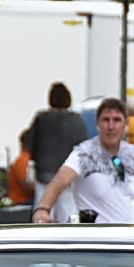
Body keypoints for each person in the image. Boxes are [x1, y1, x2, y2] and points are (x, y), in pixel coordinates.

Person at [31, 98, 134, 225]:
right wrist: (43, 210)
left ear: (126, 124)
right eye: (106, 120)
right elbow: (58, 182)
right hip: (97, 239)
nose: (111, 127)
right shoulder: (83, 153)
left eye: (116, 120)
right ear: (97, 124)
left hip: (132, 237)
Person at [21, 83, 85, 222]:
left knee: (42, 212)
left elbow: (28, 141)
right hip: (68, 176)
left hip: (44, 174)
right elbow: (83, 147)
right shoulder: (76, 120)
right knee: (67, 215)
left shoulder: (42, 118)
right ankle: (69, 241)